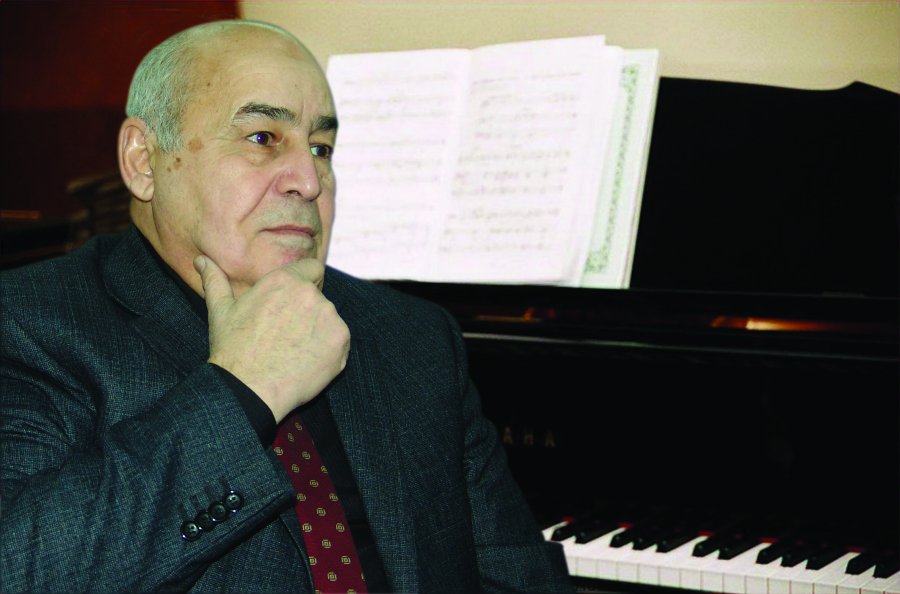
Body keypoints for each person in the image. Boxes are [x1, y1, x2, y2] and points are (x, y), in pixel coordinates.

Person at [0, 18, 572, 594]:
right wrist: (242, 391)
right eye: (262, 138)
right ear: (144, 160)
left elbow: (517, 577)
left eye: (321, 148)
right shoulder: (27, 323)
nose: (309, 180)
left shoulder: (413, 334)